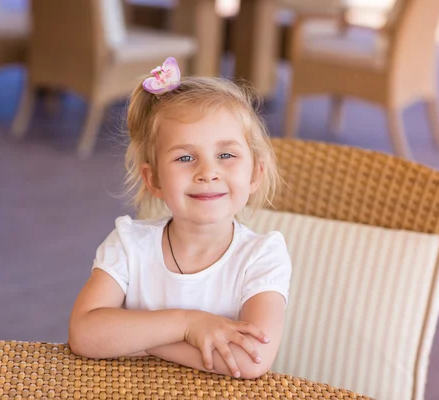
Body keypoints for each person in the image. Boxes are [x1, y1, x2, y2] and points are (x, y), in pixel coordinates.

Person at [68, 57, 292, 380]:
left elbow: (250, 360)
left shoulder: (262, 256)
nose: (208, 172)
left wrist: (141, 340)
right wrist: (187, 325)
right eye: (185, 157)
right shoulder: (130, 244)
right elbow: (84, 332)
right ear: (154, 179)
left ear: (255, 173)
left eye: (226, 155)